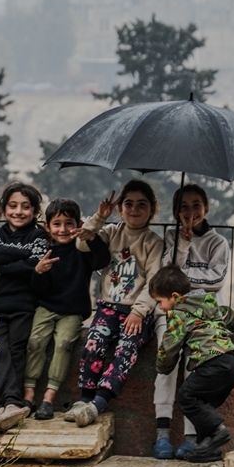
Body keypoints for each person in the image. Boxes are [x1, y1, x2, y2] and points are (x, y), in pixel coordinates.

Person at [67, 179, 164, 427]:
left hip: (135, 312)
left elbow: (154, 281)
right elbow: (81, 242)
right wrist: (99, 218)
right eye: (128, 204)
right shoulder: (111, 232)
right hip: (108, 307)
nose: (134, 209)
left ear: (152, 209)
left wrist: (140, 312)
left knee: (126, 349)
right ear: (120, 209)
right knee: (93, 343)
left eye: (141, 204)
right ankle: (85, 398)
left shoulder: (153, 242)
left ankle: (98, 402)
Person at [153, 183, 232, 459]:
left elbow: (217, 280)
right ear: (175, 211)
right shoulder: (171, 237)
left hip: (201, 315)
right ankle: (162, 433)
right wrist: (183, 243)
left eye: (196, 205)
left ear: (206, 208)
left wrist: (184, 280)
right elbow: (167, 274)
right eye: (183, 206)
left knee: (193, 371)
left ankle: (190, 436)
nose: (190, 211)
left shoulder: (217, 242)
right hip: (172, 312)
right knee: (167, 366)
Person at [149, 264, 234, 463]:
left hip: (211, 363)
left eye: (160, 301)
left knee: (187, 397)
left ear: (174, 296)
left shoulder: (179, 315)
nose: (160, 307)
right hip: (230, 363)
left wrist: (163, 368)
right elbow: (228, 314)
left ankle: (217, 431)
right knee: (202, 404)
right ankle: (208, 448)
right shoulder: (208, 303)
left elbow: (169, 348)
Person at [23, 198, 111, 420]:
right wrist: (39, 271)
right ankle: (29, 392)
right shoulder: (45, 249)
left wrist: (91, 237)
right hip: (46, 307)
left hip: (72, 310)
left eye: (69, 223)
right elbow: (38, 288)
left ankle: (48, 398)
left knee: (63, 344)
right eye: (57, 224)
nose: (63, 229)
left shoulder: (82, 248)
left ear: (78, 224)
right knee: (35, 342)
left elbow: (101, 260)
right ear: (47, 227)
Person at [0, 181, 49, 431]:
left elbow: (36, 261)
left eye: (25, 207)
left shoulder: (39, 235)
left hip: (25, 304)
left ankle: (9, 403)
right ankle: (11, 402)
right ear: (3, 208)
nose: (19, 212)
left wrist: (8, 264)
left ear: (34, 211)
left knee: (16, 350)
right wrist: (26, 261)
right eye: (13, 206)